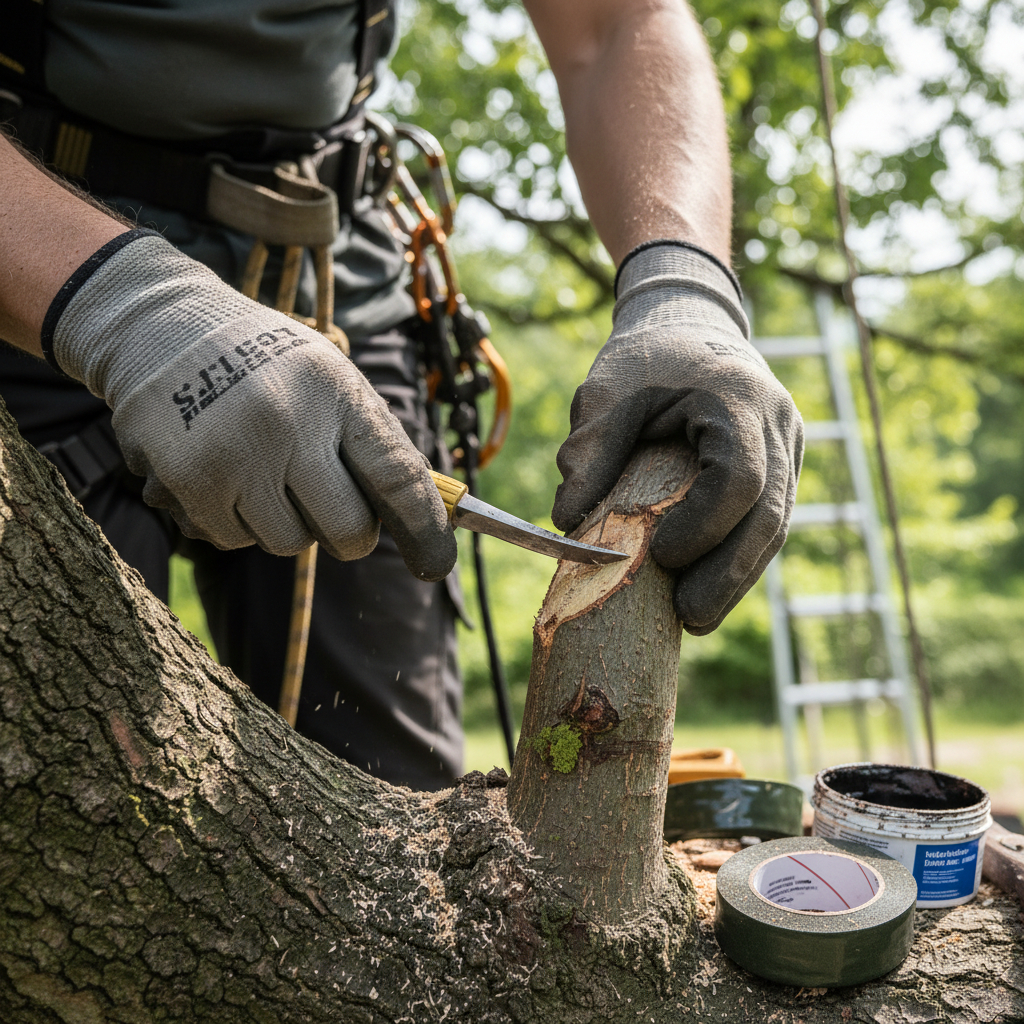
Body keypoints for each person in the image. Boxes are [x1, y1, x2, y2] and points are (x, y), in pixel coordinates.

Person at [0, 0, 803, 790]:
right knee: (64, 765)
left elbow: (614, 22)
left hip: (338, 284)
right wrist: (124, 309)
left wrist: (683, 287)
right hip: (38, 276)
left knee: (399, 794)